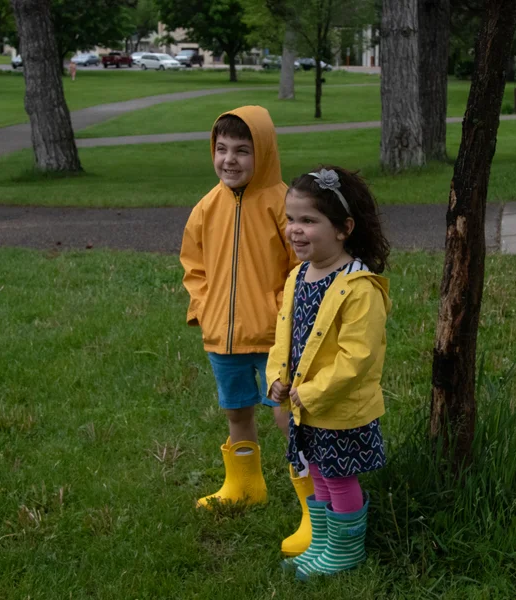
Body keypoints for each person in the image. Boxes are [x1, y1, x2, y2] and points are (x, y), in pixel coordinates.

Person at [180, 106, 315, 556]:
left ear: (265, 152)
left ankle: (315, 507)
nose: (229, 160)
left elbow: (302, 265)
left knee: (287, 417)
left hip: (277, 338)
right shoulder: (206, 207)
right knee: (236, 410)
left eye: (242, 150)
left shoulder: (283, 204)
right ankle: (244, 485)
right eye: (221, 149)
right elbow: (193, 266)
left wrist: (286, 316)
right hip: (224, 336)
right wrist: (205, 308)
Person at [267, 166, 391, 580]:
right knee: (317, 471)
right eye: (290, 219)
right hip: (305, 405)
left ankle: (345, 550)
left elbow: (358, 357)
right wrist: (276, 377)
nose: (295, 229)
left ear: (343, 229)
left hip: (337, 406)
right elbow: (283, 335)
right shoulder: (298, 276)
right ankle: (323, 543)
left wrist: (313, 392)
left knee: (338, 477)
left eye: (308, 220)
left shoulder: (359, 287)